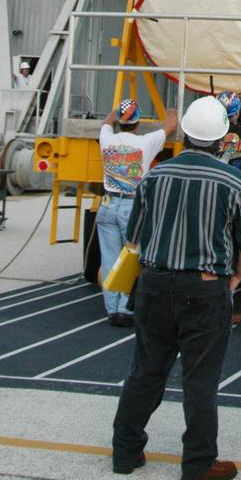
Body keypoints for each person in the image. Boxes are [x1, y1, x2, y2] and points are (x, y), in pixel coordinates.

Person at [111, 96, 241, 480]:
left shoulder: (153, 176)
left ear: (184, 135)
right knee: (200, 380)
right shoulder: (234, 181)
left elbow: (134, 241)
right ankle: (198, 463)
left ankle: (125, 453)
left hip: (152, 285)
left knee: (144, 373)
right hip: (205, 290)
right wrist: (233, 280)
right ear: (220, 139)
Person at [97, 99, 176, 326]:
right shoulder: (145, 143)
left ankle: (113, 309)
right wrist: (171, 108)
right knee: (132, 259)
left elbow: (106, 121)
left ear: (120, 121)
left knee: (110, 259)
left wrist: (116, 110)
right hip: (131, 206)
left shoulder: (106, 139)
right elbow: (170, 125)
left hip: (108, 204)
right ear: (138, 122)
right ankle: (126, 308)